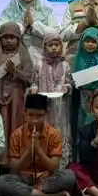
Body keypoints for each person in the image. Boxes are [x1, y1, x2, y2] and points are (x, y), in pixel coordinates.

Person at [0, 93, 77, 196]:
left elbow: (53, 167)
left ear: (46, 114)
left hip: (46, 180)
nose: (34, 120)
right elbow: (14, 169)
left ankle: (29, 193)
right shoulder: (17, 135)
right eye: (31, 115)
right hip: (23, 179)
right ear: (24, 113)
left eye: (39, 116)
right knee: (1, 181)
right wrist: (29, 150)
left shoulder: (54, 134)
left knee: (69, 176)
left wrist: (38, 150)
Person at [0, 21, 34, 150]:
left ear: (18, 39)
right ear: (0, 39)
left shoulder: (23, 54)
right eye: (5, 37)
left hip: (16, 95)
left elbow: (29, 76)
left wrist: (15, 72)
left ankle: (14, 155)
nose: (9, 41)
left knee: (15, 122)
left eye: (12, 37)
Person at [0, 0, 60, 67]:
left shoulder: (44, 11)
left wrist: (34, 25)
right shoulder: (9, 12)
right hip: (14, 62)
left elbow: (55, 33)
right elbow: (1, 34)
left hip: (41, 61)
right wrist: (22, 26)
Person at [30, 32, 73, 165]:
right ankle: (44, 160)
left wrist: (66, 88)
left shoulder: (65, 65)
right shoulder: (39, 64)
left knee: (60, 130)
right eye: (50, 45)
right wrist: (34, 89)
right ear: (44, 47)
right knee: (45, 129)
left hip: (60, 105)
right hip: (44, 105)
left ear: (61, 47)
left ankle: (60, 162)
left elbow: (69, 83)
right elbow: (34, 82)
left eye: (56, 45)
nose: (54, 48)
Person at [71, 27, 98, 135]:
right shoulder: (79, 57)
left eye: (94, 42)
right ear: (82, 42)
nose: (90, 44)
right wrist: (76, 81)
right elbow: (75, 76)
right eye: (87, 41)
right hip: (85, 94)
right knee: (86, 117)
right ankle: (86, 140)